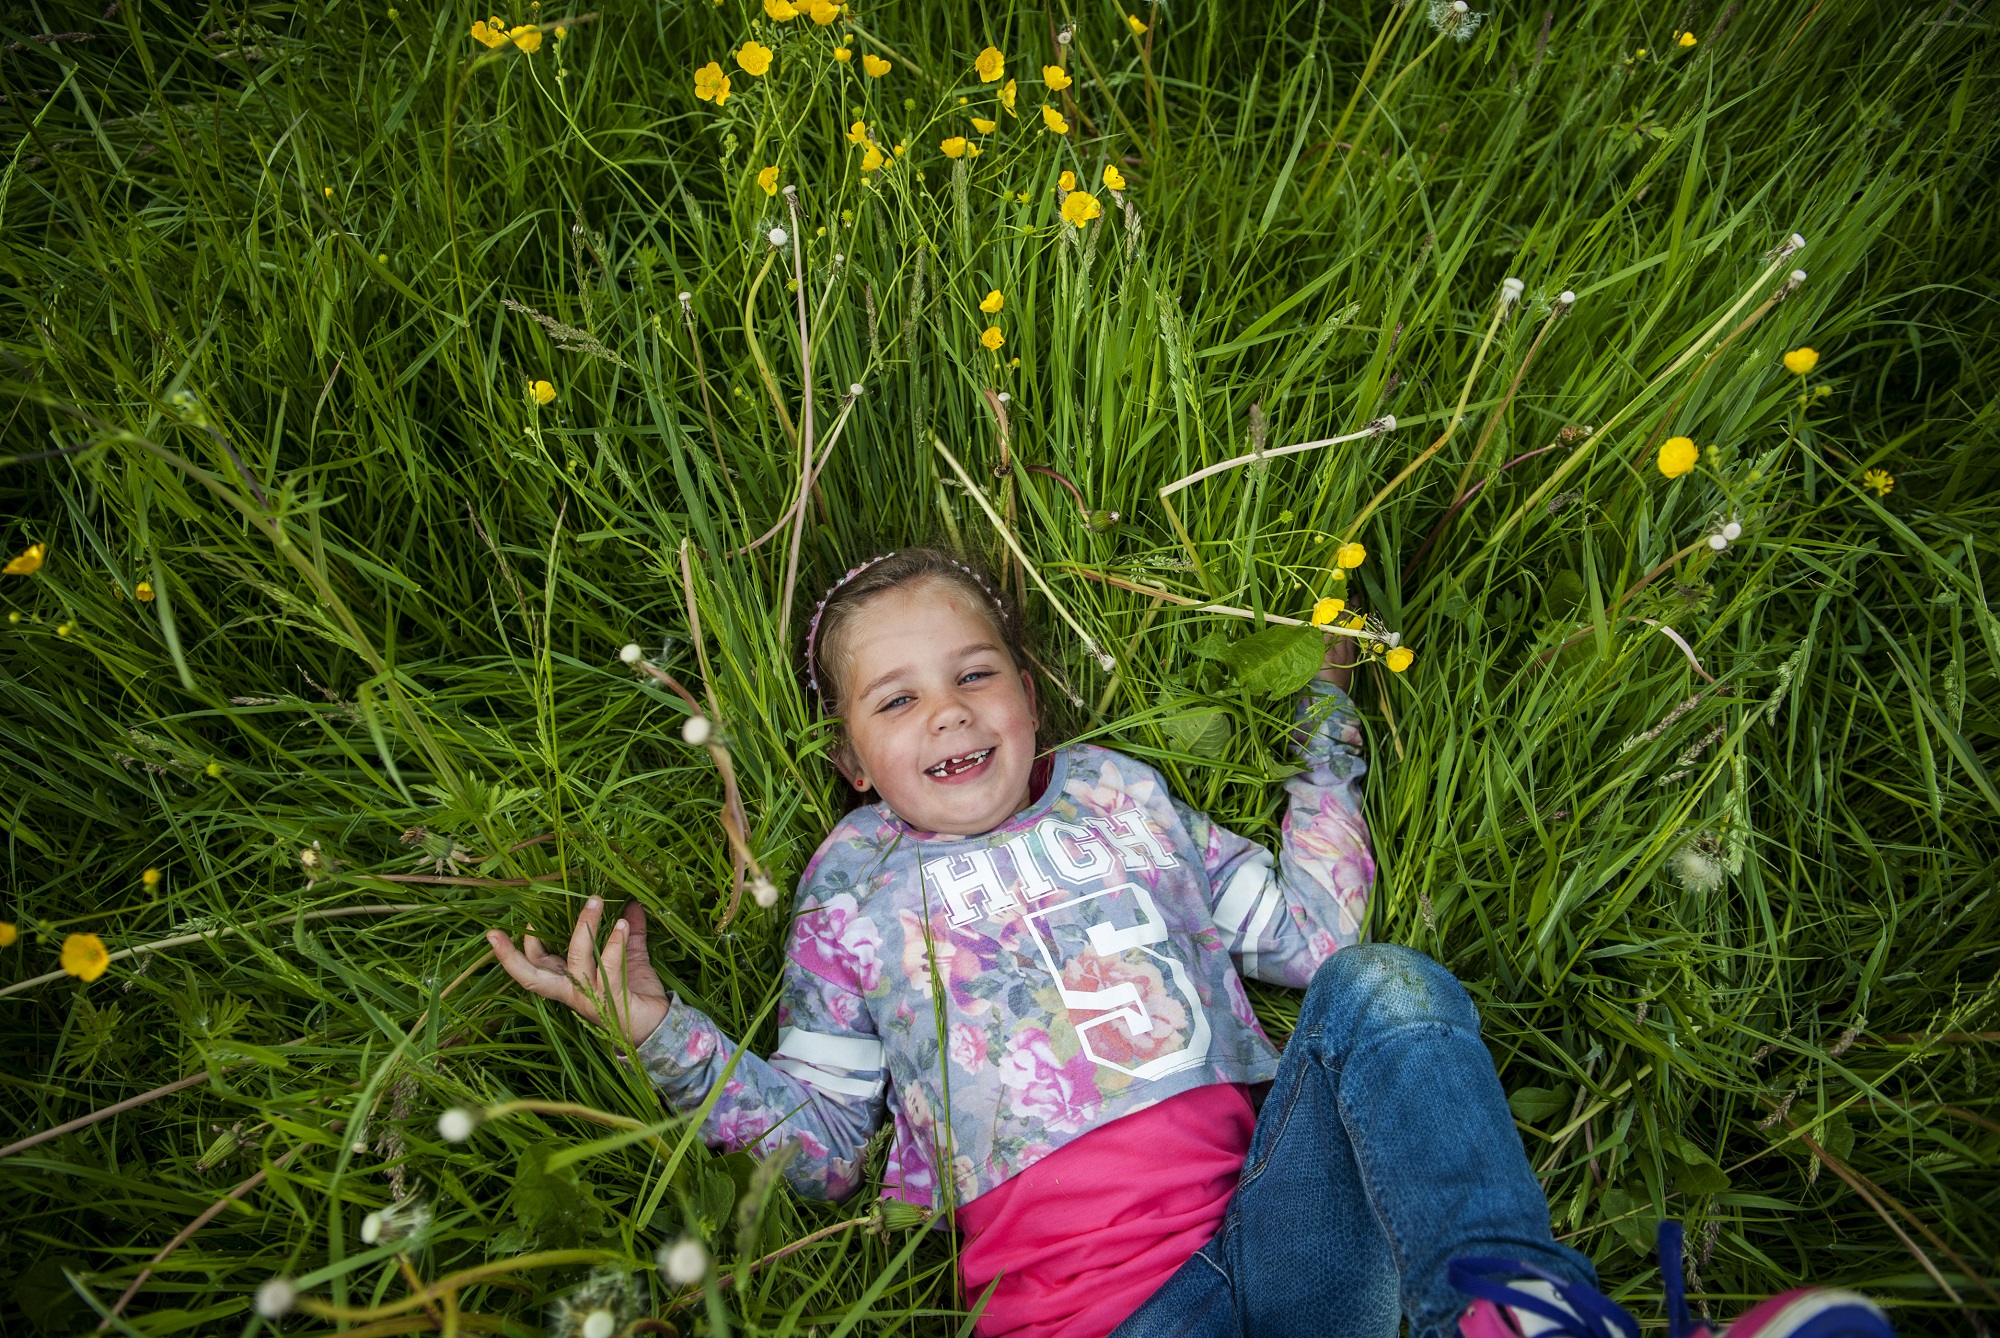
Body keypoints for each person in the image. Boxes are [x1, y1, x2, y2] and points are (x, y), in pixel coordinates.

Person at [487, 547, 1892, 1338]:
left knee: (1388, 987)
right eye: (896, 699)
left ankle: (1517, 1310)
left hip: (1296, 1241)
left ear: (1030, 693)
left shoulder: (1122, 797)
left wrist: (1321, 723)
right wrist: (657, 1030)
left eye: (976, 672)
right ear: (854, 760)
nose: (949, 712)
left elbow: (1319, 933)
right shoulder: (849, 892)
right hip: (1101, 1318)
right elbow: (825, 1141)